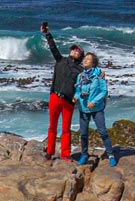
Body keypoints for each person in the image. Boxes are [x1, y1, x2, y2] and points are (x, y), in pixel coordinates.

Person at [38, 22, 84, 162]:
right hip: (55, 96)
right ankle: (50, 152)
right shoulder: (60, 60)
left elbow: (85, 85)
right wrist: (47, 33)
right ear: (70, 52)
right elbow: (53, 47)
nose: (75, 51)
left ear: (81, 55)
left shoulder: (81, 70)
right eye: (73, 49)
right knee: (52, 126)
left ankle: (65, 154)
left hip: (69, 102)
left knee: (66, 129)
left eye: (78, 50)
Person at [72, 53, 118, 167]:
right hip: (83, 108)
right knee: (83, 133)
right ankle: (84, 154)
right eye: (85, 59)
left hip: (96, 108)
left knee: (103, 132)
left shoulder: (98, 75)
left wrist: (94, 102)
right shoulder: (81, 76)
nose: (85, 60)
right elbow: (78, 90)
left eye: (88, 59)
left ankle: (110, 155)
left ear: (93, 63)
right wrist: (76, 96)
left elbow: (104, 91)